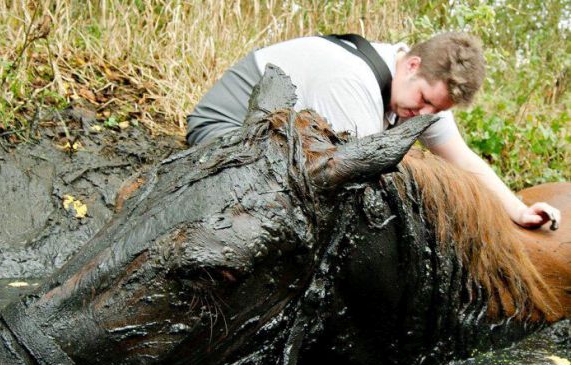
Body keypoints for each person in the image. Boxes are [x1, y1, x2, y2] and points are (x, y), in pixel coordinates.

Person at [186, 32, 561, 230]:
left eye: (436, 110)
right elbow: (357, 185)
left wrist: (517, 210)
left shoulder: (417, 91)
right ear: (412, 64)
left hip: (279, 137)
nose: (424, 114)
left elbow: (463, 159)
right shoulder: (353, 82)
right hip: (226, 130)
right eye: (424, 100)